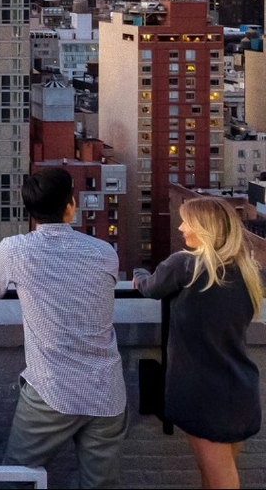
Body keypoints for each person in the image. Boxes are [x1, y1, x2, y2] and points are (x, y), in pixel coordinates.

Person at [0, 166, 127, 488]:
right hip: (106, 390)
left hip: (52, 387)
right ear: (70, 206)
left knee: (16, 478)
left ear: (30, 212)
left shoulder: (15, 249)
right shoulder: (103, 252)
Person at [133, 197, 263, 489]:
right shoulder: (248, 271)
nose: (180, 228)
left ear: (205, 228)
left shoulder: (185, 265)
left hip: (204, 393)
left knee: (220, 480)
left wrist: (138, 274)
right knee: (214, 475)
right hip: (239, 389)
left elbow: (151, 287)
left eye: (187, 222)